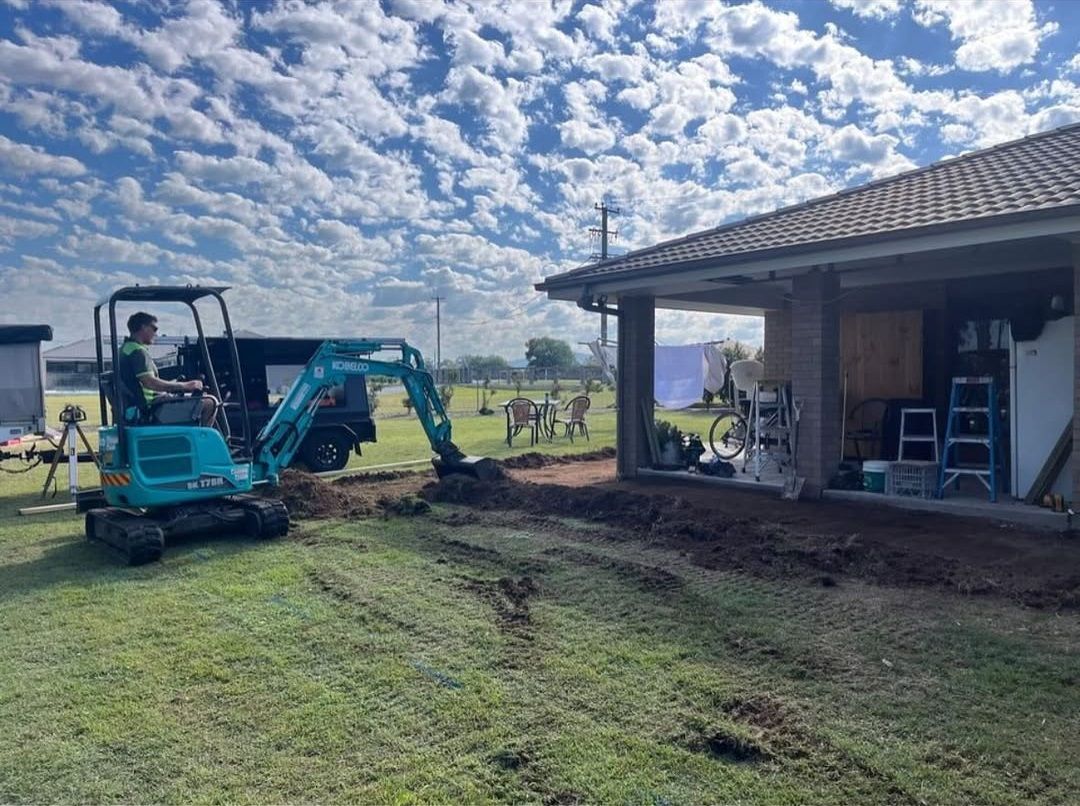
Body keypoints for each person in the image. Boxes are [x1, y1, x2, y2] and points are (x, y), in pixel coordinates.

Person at [119, 311, 219, 426]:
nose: (156, 334)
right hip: (152, 409)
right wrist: (185, 386)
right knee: (210, 402)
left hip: (142, 405)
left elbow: (145, 383)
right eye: (154, 329)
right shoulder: (137, 351)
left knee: (195, 399)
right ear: (144, 327)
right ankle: (203, 441)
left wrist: (174, 385)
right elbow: (150, 383)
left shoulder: (125, 349)